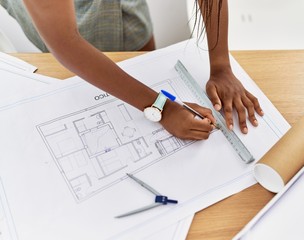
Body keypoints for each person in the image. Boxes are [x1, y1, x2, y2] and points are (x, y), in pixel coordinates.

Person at [1, 0, 263, 140]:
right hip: (64, 25)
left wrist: (220, 65)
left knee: (136, 42)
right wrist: (162, 107)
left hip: (122, 16)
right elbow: (64, 41)